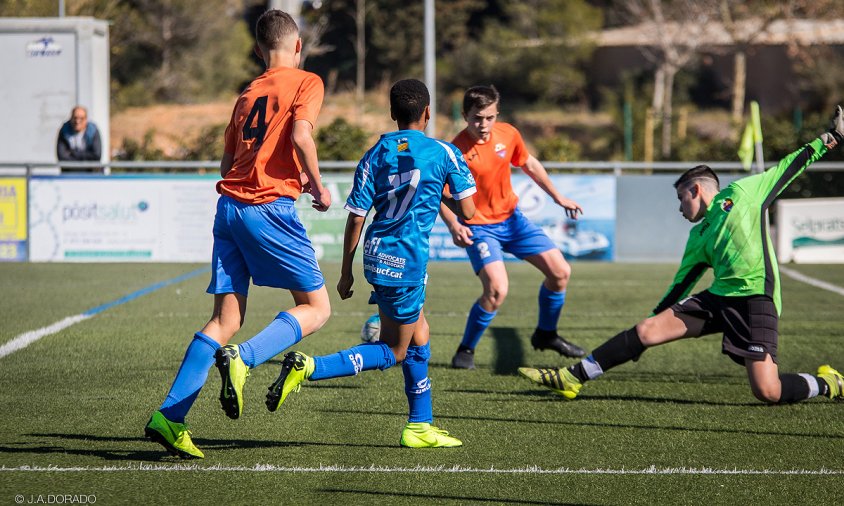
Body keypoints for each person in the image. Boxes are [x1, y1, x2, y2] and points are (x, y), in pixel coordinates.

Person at [519, 106, 844, 405]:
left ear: (696, 190)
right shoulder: (698, 235)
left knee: (768, 391)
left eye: (680, 198)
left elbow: (791, 166)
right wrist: (655, 319)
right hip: (718, 299)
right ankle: (572, 377)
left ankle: (827, 383)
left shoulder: (744, 193)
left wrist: (832, 138)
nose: (679, 207)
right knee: (647, 331)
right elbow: (681, 285)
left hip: (755, 298)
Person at [144, 9, 332, 459]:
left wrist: (285, 174)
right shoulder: (307, 82)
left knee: (225, 319)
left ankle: (170, 417)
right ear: (299, 45)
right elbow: (302, 136)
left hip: (228, 207)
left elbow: (229, 165)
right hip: (267, 207)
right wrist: (318, 186)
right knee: (316, 308)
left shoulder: (246, 94)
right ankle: (244, 359)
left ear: (256, 50)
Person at [265, 78, 477, 448]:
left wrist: (346, 272)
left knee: (420, 335)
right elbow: (470, 210)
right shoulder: (444, 153)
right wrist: (439, 189)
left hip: (375, 256)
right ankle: (310, 368)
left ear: (392, 114)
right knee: (395, 350)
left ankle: (420, 424)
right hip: (408, 262)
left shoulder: (375, 154)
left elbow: (356, 217)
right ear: (427, 114)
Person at [439, 85, 587, 370]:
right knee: (496, 290)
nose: (483, 125)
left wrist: (558, 196)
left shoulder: (508, 134)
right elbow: (438, 193)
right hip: (479, 227)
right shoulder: (454, 151)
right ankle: (466, 349)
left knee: (560, 273)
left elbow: (529, 163)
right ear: (464, 115)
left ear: (497, 114)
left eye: (489, 117)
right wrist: (453, 224)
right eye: (477, 118)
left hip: (512, 219)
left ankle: (546, 334)